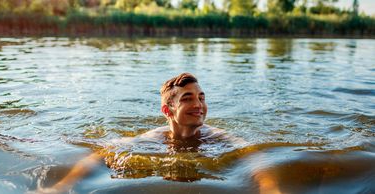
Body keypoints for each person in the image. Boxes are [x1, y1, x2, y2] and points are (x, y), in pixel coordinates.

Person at [31, 73, 282, 194]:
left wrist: (271, 188)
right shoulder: (154, 138)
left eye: (201, 98)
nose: (199, 105)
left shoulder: (218, 137)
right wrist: (63, 186)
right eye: (188, 98)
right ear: (167, 110)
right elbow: (103, 154)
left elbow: (253, 156)